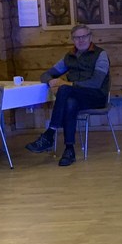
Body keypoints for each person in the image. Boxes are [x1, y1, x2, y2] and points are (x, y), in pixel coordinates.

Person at [24, 25, 110, 167]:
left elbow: (96, 83)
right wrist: (51, 82)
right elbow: (45, 74)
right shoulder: (69, 57)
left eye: (84, 36)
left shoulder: (101, 55)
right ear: (72, 40)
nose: (81, 40)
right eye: (77, 37)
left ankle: (50, 134)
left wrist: (66, 84)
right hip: (76, 97)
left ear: (90, 37)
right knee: (70, 103)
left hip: (96, 97)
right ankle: (69, 150)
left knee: (64, 89)